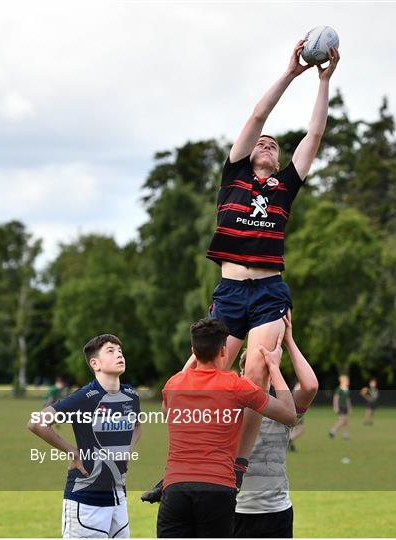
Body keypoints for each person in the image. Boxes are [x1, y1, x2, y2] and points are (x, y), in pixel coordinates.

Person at [142, 38, 340, 503]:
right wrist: (291, 74)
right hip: (230, 293)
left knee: (253, 375)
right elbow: (256, 117)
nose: (269, 144)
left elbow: (313, 136)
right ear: (250, 156)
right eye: (263, 145)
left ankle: (237, 464)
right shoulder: (232, 176)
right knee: (200, 376)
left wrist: (323, 83)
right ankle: (176, 468)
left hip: (269, 293)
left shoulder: (284, 189)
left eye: (275, 146)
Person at [156, 318, 297, 538]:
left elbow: (167, 412)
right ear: (223, 351)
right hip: (217, 489)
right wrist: (273, 368)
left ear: (193, 350)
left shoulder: (173, 385)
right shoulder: (236, 386)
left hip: (175, 488)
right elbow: (289, 415)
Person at [28, 334, 141, 538]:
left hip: (119, 499)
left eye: (120, 351)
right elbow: (36, 422)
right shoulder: (84, 397)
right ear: (95, 363)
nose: (119, 355)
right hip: (86, 501)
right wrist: (72, 452)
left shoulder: (131, 395)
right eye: (111, 351)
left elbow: (137, 426)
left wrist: (128, 451)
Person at [234, 313, 318, 538]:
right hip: (234, 510)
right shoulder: (229, 407)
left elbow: (309, 387)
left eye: (262, 373)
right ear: (240, 374)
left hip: (276, 510)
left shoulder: (282, 409)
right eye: (248, 372)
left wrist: (288, 341)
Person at [329, 375, 351, 440]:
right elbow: (335, 398)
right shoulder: (339, 389)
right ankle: (332, 431)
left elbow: (347, 400)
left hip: (345, 408)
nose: (348, 382)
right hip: (340, 407)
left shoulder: (347, 390)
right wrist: (335, 407)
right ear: (343, 381)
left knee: (345, 421)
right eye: (347, 381)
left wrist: (349, 407)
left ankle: (345, 434)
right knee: (342, 420)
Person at [288, 382, 304, 452]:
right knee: (300, 429)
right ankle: (289, 440)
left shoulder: (298, 385)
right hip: (296, 410)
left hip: (295, 409)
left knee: (294, 429)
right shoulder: (300, 385)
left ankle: (291, 445)